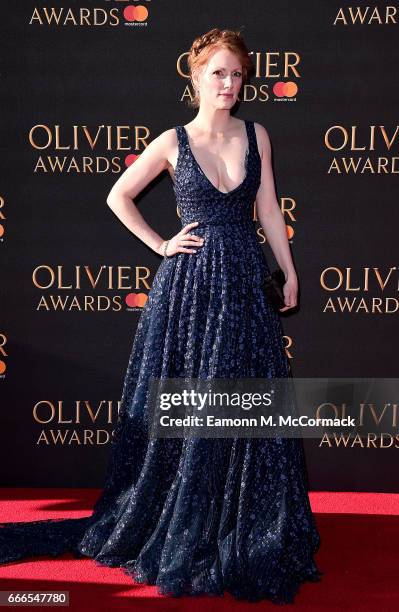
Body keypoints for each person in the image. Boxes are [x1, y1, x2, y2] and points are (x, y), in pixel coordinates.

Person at [0, 28, 322, 604]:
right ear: (195, 77)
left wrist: (289, 269)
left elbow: (268, 207)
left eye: (238, 75)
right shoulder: (173, 141)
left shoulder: (258, 134)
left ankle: (238, 517)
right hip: (191, 289)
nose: (229, 84)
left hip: (246, 282)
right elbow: (117, 195)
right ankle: (184, 518)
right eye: (218, 73)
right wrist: (161, 244)